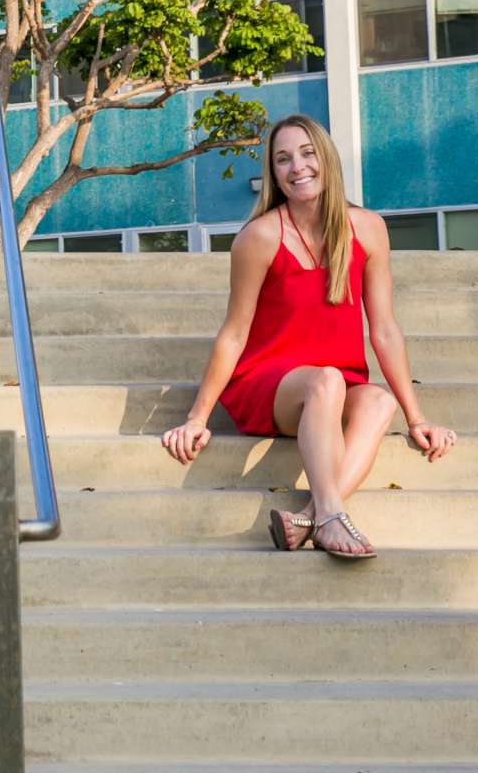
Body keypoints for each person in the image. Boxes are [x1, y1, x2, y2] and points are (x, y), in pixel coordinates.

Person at [159, 114, 456, 561]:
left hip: (336, 381)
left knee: (378, 401)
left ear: (327, 159)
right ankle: (334, 516)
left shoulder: (368, 228)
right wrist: (198, 417)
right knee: (326, 381)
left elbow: (385, 329)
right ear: (273, 174)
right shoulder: (259, 237)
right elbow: (234, 333)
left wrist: (416, 419)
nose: (297, 167)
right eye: (283, 159)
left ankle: (311, 516)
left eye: (307, 153)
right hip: (268, 382)